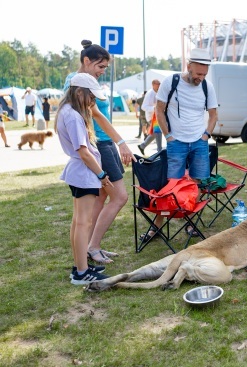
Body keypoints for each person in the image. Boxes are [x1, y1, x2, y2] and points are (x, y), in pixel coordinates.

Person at [64, 39, 135, 264]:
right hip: (99, 145)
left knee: (102, 196)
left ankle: (89, 247)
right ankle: (92, 246)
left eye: (105, 68)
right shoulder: (78, 85)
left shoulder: (90, 82)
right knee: (120, 196)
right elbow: (98, 117)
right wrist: (121, 142)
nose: (103, 72)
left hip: (106, 144)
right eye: (100, 66)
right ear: (86, 61)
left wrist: (118, 142)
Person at [140, 48, 218, 241]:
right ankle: (157, 227)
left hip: (199, 142)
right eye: (198, 73)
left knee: (197, 183)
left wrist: (206, 134)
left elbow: (214, 114)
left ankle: (190, 223)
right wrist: (168, 136)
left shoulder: (207, 86)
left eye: (204, 74)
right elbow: (159, 110)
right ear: (189, 66)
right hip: (176, 142)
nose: (201, 77)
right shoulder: (171, 82)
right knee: (171, 185)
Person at [55, 73, 111, 284]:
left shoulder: (67, 111)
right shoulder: (73, 116)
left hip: (79, 172)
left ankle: (80, 267)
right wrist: (102, 176)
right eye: (91, 97)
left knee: (79, 222)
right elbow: (84, 151)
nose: (92, 102)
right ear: (79, 93)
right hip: (84, 173)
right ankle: (81, 272)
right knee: (83, 223)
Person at [138, 80, 162, 155]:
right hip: (151, 117)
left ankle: (142, 146)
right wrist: (154, 108)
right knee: (158, 131)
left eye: (160, 84)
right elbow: (143, 107)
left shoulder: (158, 92)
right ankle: (159, 150)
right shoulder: (150, 94)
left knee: (155, 133)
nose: (159, 85)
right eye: (158, 84)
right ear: (153, 84)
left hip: (157, 116)